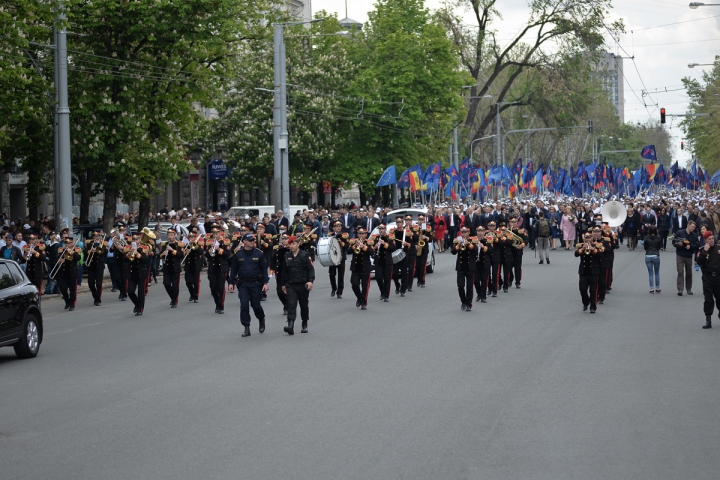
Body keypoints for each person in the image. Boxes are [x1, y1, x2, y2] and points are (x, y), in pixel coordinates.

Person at [228, 233, 269, 338]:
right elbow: (233, 270)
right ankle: (246, 327)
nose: (252, 242)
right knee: (244, 305)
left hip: (256, 283)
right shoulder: (239, 254)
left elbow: (264, 269)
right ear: (244, 242)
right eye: (250, 240)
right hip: (243, 284)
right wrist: (231, 282)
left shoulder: (259, 253)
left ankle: (261, 318)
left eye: (253, 240)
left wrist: (265, 283)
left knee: (256, 305)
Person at [280, 235, 315, 334]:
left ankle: (304, 324)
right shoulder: (287, 256)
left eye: (293, 244)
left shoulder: (305, 255)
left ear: (298, 244)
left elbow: (311, 269)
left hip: (302, 284)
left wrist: (310, 281)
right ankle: (290, 325)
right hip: (291, 284)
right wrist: (283, 284)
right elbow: (284, 271)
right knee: (291, 304)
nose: (291, 246)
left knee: (303, 305)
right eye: (290, 244)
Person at [205, 228, 233, 314]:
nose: (215, 235)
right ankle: (217, 303)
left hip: (222, 268)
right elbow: (206, 254)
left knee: (221, 288)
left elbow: (228, 254)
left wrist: (218, 249)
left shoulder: (225, 242)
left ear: (220, 233)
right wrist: (211, 248)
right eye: (214, 234)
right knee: (213, 288)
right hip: (212, 268)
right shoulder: (210, 242)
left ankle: (221, 306)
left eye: (216, 234)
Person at [697, 230, 720, 329]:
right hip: (708, 277)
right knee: (708, 299)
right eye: (709, 239)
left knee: (719, 298)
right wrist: (704, 251)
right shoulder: (702, 250)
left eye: (712, 238)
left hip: (718, 277)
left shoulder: (718, 248)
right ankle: (708, 320)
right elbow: (699, 262)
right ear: (705, 240)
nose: (712, 240)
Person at [451, 226, 477, 311]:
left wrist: (468, 244)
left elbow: (476, 251)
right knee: (460, 285)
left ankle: (469, 304)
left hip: (470, 267)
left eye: (465, 232)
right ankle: (463, 302)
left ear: (469, 232)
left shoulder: (473, 240)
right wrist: (458, 245)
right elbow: (453, 252)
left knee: (469, 286)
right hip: (461, 267)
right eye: (462, 232)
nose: (464, 234)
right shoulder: (457, 240)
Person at [348, 228, 374, 310]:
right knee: (354, 285)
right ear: (357, 234)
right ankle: (359, 297)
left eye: (363, 234)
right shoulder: (353, 242)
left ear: (366, 235)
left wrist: (363, 247)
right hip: (355, 268)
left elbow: (372, 252)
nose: (361, 235)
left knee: (365, 286)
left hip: (365, 267)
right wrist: (355, 246)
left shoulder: (369, 242)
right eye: (359, 234)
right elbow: (348, 251)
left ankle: (364, 302)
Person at [575, 233, 602, 313]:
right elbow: (576, 254)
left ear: (592, 238)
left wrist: (593, 250)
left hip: (593, 271)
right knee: (582, 289)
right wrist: (582, 249)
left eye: (589, 238)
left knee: (593, 290)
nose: (588, 239)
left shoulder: (597, 246)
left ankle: (593, 306)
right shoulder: (580, 246)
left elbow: (600, 255)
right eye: (586, 238)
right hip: (583, 271)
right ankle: (585, 302)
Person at [673, 220, 699, 296]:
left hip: (689, 256)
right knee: (680, 272)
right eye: (692, 227)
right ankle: (680, 289)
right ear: (688, 225)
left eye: (694, 227)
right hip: (680, 255)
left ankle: (689, 289)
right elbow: (674, 242)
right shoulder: (680, 232)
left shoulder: (694, 235)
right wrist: (678, 244)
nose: (693, 228)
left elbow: (697, 245)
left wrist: (690, 246)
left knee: (689, 273)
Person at [56, 236, 81, 311]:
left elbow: (78, 258)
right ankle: (67, 302)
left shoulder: (76, 249)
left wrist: (72, 252)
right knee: (63, 289)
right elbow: (57, 259)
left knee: (73, 290)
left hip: (73, 272)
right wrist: (60, 260)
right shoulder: (61, 250)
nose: (67, 245)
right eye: (66, 243)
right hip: (64, 273)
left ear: (72, 243)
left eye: (69, 243)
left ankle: (72, 305)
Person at [84, 230, 108, 306]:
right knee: (90, 283)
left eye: (97, 236)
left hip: (99, 265)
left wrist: (97, 248)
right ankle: (95, 297)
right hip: (91, 265)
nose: (95, 237)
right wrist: (90, 251)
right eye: (94, 236)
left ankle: (98, 299)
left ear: (99, 236)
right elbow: (84, 251)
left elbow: (106, 251)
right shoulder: (89, 243)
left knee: (98, 283)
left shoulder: (103, 242)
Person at [126, 242, 150, 316]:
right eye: (134, 239)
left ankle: (140, 309)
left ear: (140, 240)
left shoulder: (144, 249)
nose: (135, 241)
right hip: (132, 274)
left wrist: (137, 254)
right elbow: (124, 259)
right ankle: (137, 304)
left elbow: (145, 260)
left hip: (141, 274)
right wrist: (129, 253)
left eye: (137, 239)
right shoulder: (129, 248)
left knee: (141, 293)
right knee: (130, 291)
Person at [160, 229, 183, 308]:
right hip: (167, 267)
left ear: (175, 235)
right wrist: (163, 254)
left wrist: (172, 250)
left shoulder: (179, 244)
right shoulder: (164, 244)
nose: (170, 237)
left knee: (175, 286)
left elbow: (181, 255)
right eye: (168, 235)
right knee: (166, 284)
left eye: (171, 235)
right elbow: (160, 255)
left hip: (175, 267)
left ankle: (174, 301)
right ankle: (173, 297)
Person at [373, 224, 394, 302]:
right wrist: (375, 247)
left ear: (385, 229)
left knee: (387, 279)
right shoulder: (376, 238)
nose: (381, 230)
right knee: (378, 277)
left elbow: (393, 248)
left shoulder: (390, 238)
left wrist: (385, 244)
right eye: (380, 229)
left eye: (382, 229)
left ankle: (386, 295)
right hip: (378, 260)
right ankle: (382, 291)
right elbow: (372, 248)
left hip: (387, 260)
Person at [327, 221, 348, 299]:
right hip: (332, 257)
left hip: (341, 257)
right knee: (332, 274)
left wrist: (341, 243)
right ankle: (333, 288)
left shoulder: (345, 235)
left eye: (340, 226)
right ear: (334, 228)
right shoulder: (330, 235)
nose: (338, 228)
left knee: (340, 276)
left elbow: (347, 246)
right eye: (337, 226)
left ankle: (339, 292)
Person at [270, 234, 290, 314]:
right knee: (279, 292)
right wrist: (271, 271)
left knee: (289, 292)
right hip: (280, 273)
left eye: (286, 239)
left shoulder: (291, 249)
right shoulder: (277, 249)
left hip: (289, 274)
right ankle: (285, 304)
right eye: (283, 239)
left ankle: (288, 306)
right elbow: (273, 261)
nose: (284, 240)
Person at [183, 232, 204, 303]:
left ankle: (195, 296)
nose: (191, 239)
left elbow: (201, 252)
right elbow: (182, 253)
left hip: (196, 265)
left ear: (195, 238)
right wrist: (186, 252)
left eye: (192, 237)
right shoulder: (186, 245)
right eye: (190, 238)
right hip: (188, 265)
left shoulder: (198, 244)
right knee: (188, 281)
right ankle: (192, 294)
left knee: (196, 281)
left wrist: (195, 246)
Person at [643, 225, 662, 294]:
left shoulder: (646, 238)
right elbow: (659, 247)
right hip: (655, 255)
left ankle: (651, 288)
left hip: (648, 255)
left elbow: (645, 248)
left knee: (650, 273)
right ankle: (657, 287)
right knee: (656, 272)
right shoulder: (658, 238)